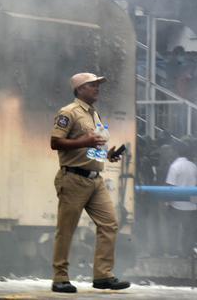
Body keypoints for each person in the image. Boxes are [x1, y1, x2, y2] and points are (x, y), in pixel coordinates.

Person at [50, 72, 130, 293]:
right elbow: (55, 142)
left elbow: (92, 148)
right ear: (79, 89)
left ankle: (103, 275)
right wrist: (84, 141)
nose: (97, 88)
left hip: (95, 179)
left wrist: (107, 155)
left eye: (97, 85)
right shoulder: (68, 112)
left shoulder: (94, 114)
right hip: (73, 178)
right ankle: (60, 278)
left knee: (109, 223)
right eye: (92, 85)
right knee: (66, 229)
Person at [164, 138, 197, 256]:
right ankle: (187, 252)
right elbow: (196, 186)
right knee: (188, 231)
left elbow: (170, 187)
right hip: (191, 205)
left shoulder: (175, 166)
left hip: (176, 205)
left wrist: (167, 203)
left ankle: (173, 252)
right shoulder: (193, 166)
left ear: (176, 152)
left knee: (174, 229)